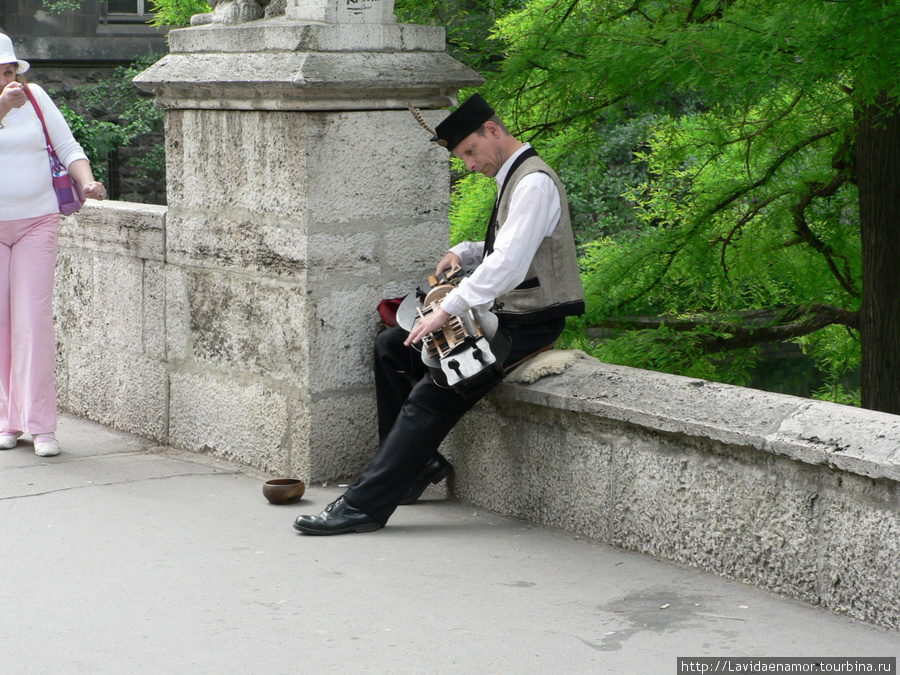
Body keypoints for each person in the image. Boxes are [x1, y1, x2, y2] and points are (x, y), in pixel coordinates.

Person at [293, 93, 584, 535]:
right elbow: (502, 249)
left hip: (530, 323)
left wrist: (445, 309)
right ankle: (417, 467)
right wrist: (462, 252)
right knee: (393, 347)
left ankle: (364, 507)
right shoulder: (515, 179)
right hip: (505, 314)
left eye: (470, 151)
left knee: (437, 389)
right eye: (462, 157)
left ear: (493, 130)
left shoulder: (533, 182)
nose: (468, 164)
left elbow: (508, 264)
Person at [0, 33, 107, 457]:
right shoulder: (9, 103)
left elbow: (66, 145)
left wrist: (87, 182)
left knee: (34, 322)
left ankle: (42, 426)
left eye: (10, 70)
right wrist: (4, 107)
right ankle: (8, 420)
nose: (7, 79)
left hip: (37, 221)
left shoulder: (37, 97)